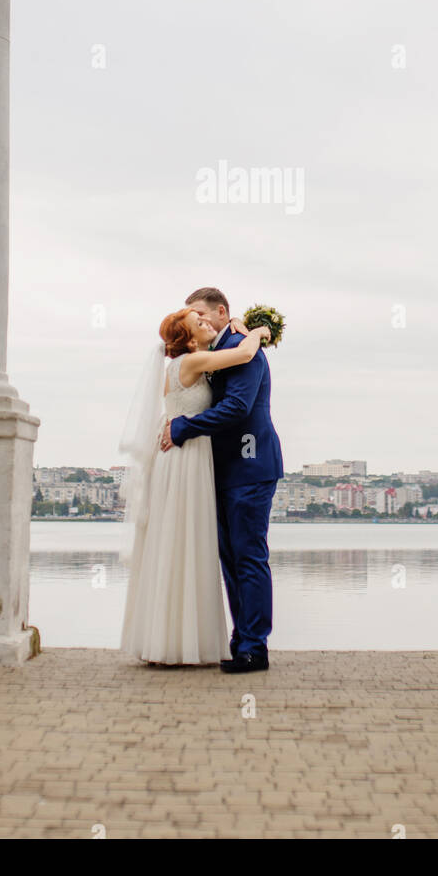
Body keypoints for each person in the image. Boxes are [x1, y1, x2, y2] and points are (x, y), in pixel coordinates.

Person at [119, 306, 269, 666]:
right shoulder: (194, 362)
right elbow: (245, 353)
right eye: (196, 322)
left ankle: (170, 640)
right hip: (185, 461)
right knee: (183, 544)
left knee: (177, 545)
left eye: (204, 317)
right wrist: (257, 331)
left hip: (187, 460)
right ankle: (186, 641)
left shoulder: (188, 363)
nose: (205, 323)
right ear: (186, 339)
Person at [160, 287, 284, 674]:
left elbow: (237, 407)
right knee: (231, 558)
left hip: (250, 465)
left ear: (220, 312)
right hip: (223, 469)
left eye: (199, 313)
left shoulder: (244, 349)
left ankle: (254, 648)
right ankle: (240, 640)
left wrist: (184, 426)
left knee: (248, 555)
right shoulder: (215, 352)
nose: (196, 320)